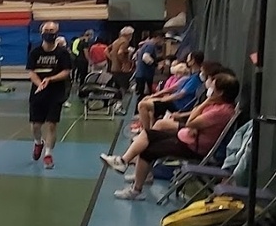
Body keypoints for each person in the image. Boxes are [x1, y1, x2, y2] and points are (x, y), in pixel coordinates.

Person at [101, 72, 239, 200]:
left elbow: (191, 122)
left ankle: (136, 190)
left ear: (220, 92)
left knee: (148, 150)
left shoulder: (221, 111)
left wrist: (206, 103)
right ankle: (123, 161)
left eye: (213, 88)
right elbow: (194, 122)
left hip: (193, 147)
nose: (210, 90)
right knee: (148, 134)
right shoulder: (218, 105)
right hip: (187, 137)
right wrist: (196, 123)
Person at [26, 21, 73, 170]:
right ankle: (38, 142)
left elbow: (66, 71)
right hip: (38, 93)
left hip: (56, 92)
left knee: (52, 124)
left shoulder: (62, 53)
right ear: (42, 33)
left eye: (52, 30)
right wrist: (39, 83)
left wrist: (50, 79)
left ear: (57, 32)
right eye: (47, 30)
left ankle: (48, 154)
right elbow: (31, 72)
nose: (50, 32)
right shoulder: (35, 52)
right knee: (36, 125)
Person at [135, 51, 204, 131]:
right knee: (146, 100)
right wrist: (154, 96)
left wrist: (162, 100)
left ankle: (146, 133)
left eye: (189, 59)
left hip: (177, 106)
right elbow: (173, 88)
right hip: (172, 102)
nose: (187, 61)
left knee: (142, 105)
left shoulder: (195, 79)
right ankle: (149, 130)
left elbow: (180, 94)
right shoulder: (191, 76)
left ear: (193, 61)